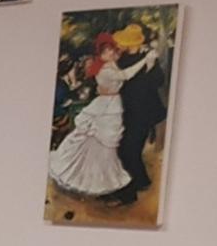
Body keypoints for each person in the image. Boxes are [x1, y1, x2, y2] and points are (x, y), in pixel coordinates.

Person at [49, 31, 162, 201]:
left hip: (112, 106)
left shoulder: (112, 63)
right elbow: (125, 76)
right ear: (100, 54)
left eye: (111, 49)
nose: (111, 53)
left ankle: (117, 182)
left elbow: (125, 62)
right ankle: (100, 181)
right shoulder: (104, 69)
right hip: (106, 107)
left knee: (108, 145)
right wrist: (144, 60)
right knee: (102, 144)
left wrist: (144, 54)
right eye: (106, 51)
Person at [111, 23, 168, 205]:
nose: (120, 45)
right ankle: (142, 181)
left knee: (129, 150)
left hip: (143, 112)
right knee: (126, 149)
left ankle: (128, 194)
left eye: (124, 42)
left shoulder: (148, 57)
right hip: (126, 111)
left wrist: (150, 66)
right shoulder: (122, 59)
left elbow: (158, 81)